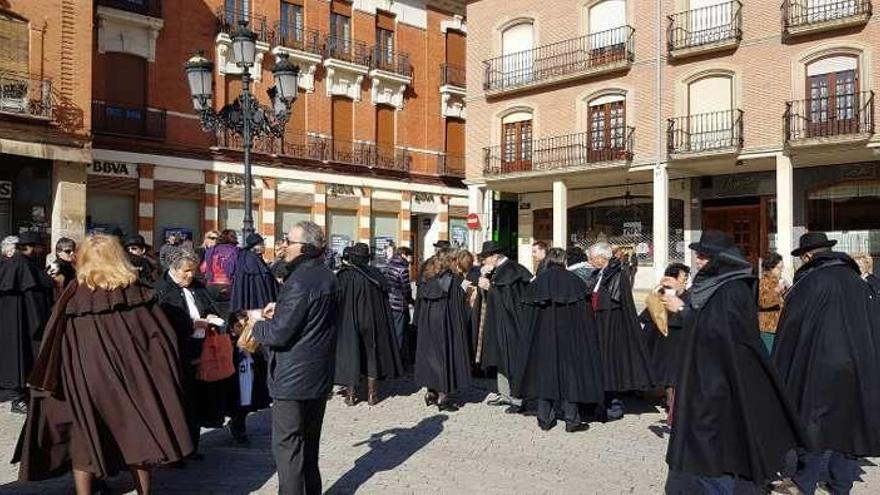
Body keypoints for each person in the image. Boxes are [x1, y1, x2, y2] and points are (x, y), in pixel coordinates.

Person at [14, 234, 192, 494]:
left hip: (84, 379)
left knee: (84, 438)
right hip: (132, 378)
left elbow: (54, 340)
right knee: (137, 433)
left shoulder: (73, 295)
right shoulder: (136, 291)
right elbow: (159, 339)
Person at [662, 231, 806, 493]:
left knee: (714, 452)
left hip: (721, 385)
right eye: (697, 255)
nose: (697, 261)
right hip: (706, 380)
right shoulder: (716, 284)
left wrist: (683, 311)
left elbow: (723, 331)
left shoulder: (731, 288)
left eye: (704, 256)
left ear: (720, 259)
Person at [772, 233, 880, 495]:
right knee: (849, 423)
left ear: (808, 256)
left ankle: (805, 481)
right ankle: (841, 483)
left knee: (814, 423)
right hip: (858, 365)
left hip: (818, 365)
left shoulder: (808, 284)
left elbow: (789, 330)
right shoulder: (858, 282)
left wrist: (778, 369)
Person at [246, 221, 338, 495]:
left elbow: (278, 335)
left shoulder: (298, 281)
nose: (283, 245)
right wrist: (282, 308)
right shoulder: (327, 276)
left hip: (293, 378)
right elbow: (310, 318)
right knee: (309, 447)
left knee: (288, 450)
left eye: (289, 240)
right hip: (318, 375)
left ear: (306, 248)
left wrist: (255, 322)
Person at [517, 248, 604, 433]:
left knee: (545, 375)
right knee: (570, 377)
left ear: (548, 260)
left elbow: (527, 318)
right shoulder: (576, 282)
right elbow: (586, 316)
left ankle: (544, 418)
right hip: (571, 338)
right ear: (564, 261)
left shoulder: (537, 283)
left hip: (542, 339)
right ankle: (571, 420)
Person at [153, 249, 227, 460]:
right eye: (186, 271)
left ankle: (192, 446)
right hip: (176, 353)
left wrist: (210, 317)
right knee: (177, 402)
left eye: (193, 271)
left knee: (195, 401)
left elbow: (209, 306)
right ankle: (175, 451)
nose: (190, 276)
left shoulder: (197, 287)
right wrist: (192, 325)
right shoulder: (161, 290)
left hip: (202, 350)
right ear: (174, 269)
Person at [587, 242, 654, 417]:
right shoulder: (598, 274)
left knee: (611, 365)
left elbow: (620, 304)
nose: (590, 261)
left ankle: (614, 404)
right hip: (599, 323)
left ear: (602, 258)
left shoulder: (618, 275)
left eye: (592, 258)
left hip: (611, 325)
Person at [334, 243, 402, 406]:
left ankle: (350, 395)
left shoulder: (344, 276)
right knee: (372, 354)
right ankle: (373, 394)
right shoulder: (376, 274)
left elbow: (337, 300)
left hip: (350, 320)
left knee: (351, 354)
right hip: (372, 320)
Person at [228, 233, 276, 442]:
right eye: (262, 244)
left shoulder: (243, 265)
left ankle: (239, 421)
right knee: (248, 379)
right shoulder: (256, 266)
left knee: (247, 378)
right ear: (256, 246)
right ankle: (239, 422)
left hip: (247, 328)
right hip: (255, 327)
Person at [0, 232, 54, 413]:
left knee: (15, 357)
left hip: (11, 321)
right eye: (39, 246)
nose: (41, 250)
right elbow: (34, 296)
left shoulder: (11, 263)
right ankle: (18, 398)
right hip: (26, 321)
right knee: (22, 357)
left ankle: (18, 395)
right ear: (30, 246)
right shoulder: (24, 265)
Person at [477, 240, 532, 413]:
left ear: (495, 256)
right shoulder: (499, 270)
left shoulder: (510, 271)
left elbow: (510, 301)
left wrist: (490, 288)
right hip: (501, 324)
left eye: (485, 257)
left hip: (511, 326)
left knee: (511, 360)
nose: (483, 261)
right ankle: (506, 394)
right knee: (501, 360)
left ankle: (517, 399)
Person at [414, 251, 471, 412]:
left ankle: (431, 393)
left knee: (430, 357)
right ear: (451, 262)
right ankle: (443, 398)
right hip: (444, 324)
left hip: (428, 324)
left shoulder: (428, 277)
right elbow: (456, 304)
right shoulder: (451, 279)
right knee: (445, 357)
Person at [641, 262, 690, 425]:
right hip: (666, 340)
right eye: (684, 277)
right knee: (671, 376)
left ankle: (673, 406)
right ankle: (672, 408)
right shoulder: (662, 292)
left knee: (675, 376)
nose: (686, 280)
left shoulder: (689, 294)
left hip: (682, 339)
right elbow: (649, 314)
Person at [382, 246, 414, 352]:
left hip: (388, 302)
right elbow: (406, 289)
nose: (411, 260)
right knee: (398, 333)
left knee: (390, 331)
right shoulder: (402, 269)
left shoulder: (388, 265)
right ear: (404, 255)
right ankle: (398, 358)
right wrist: (411, 301)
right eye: (410, 257)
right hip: (398, 304)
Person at [202, 229, 239, 314]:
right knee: (229, 313)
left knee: (214, 312)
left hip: (211, 285)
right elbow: (236, 269)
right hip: (228, 285)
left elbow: (203, 268)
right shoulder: (235, 251)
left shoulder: (211, 250)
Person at [758, 253, 786, 354]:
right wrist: (777, 290)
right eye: (779, 268)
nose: (781, 272)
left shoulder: (776, 281)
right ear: (771, 267)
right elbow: (763, 302)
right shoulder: (765, 281)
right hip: (768, 328)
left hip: (776, 327)